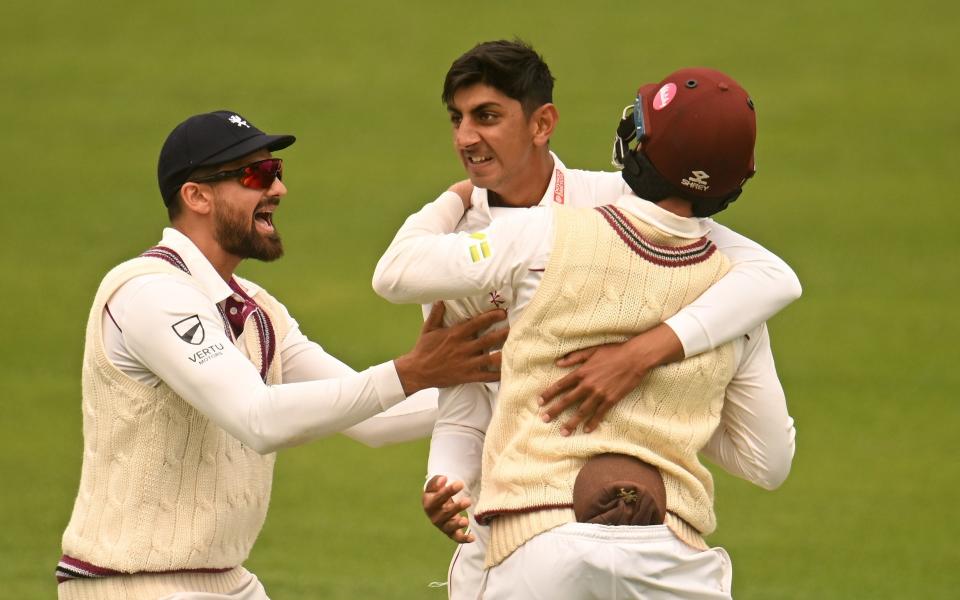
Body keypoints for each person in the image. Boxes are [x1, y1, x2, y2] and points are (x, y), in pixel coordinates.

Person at [373, 40, 800, 599]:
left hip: (530, 531)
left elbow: (394, 273)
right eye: (458, 119)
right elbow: (465, 398)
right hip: (638, 539)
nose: (465, 137)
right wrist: (449, 479)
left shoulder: (556, 225)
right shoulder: (719, 275)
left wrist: (641, 360)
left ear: (543, 122)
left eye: (487, 116)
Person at [55, 110, 508, 600]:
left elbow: (375, 420)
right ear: (197, 195)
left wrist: (515, 393)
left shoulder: (255, 308)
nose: (277, 190)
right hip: (130, 586)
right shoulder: (149, 294)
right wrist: (410, 371)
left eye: (277, 172)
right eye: (256, 175)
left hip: (226, 581)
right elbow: (259, 418)